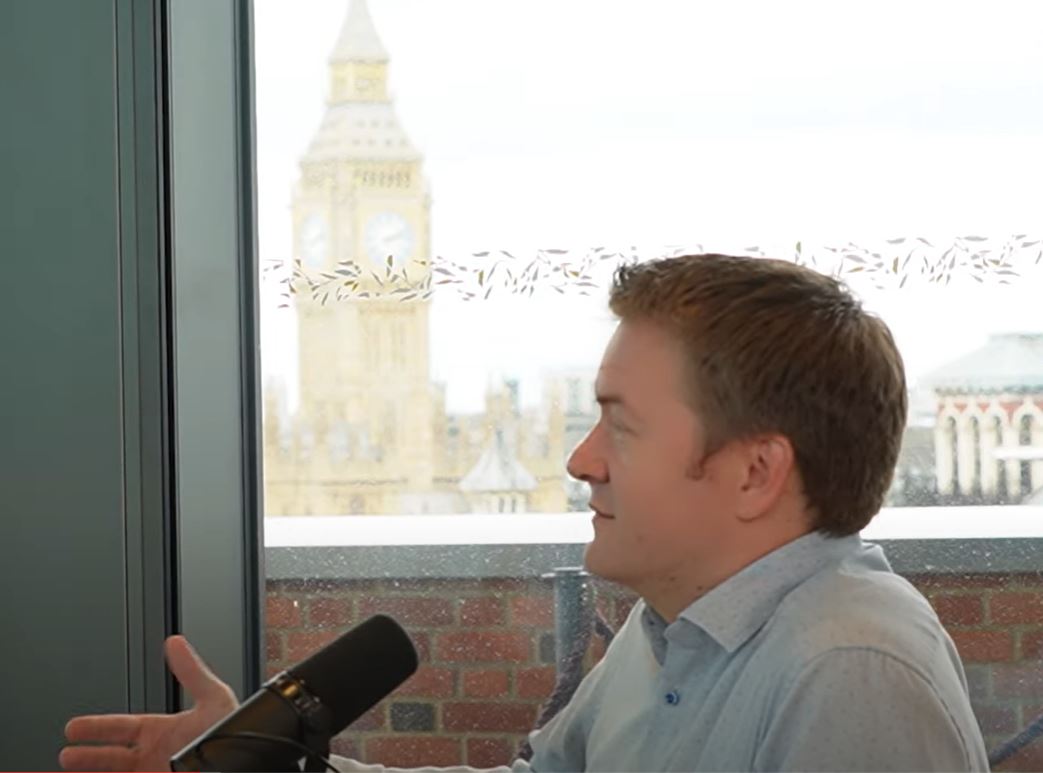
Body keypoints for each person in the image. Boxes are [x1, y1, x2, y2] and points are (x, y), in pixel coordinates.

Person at [61, 253, 989, 772]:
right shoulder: (671, 624)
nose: (580, 460)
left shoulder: (849, 672)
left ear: (754, 472)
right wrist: (280, 772)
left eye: (618, 429)